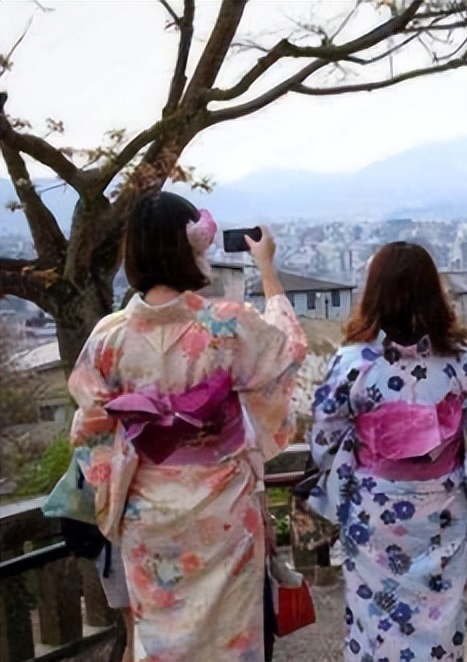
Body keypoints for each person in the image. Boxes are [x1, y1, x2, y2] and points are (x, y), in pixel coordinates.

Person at [51, 191, 306, 660]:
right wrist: (267, 268)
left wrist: (119, 490)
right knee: (232, 642)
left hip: (149, 518)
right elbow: (287, 353)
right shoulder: (227, 325)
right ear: (192, 247)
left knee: (162, 646)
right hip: (224, 510)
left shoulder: (108, 337)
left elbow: (89, 432)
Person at [306, 241, 467, 662]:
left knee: (374, 624)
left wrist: (348, 482)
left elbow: (324, 438)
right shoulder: (462, 362)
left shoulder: (352, 362)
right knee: (441, 621)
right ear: (433, 291)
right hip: (443, 509)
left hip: (374, 513)